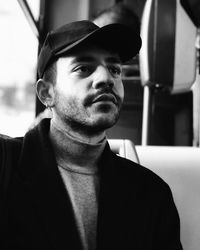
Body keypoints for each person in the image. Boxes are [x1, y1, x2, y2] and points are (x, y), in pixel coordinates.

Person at [0, 20, 182, 250]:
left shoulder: (152, 193)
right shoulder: (5, 167)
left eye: (115, 69)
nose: (106, 79)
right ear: (47, 93)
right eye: (83, 69)